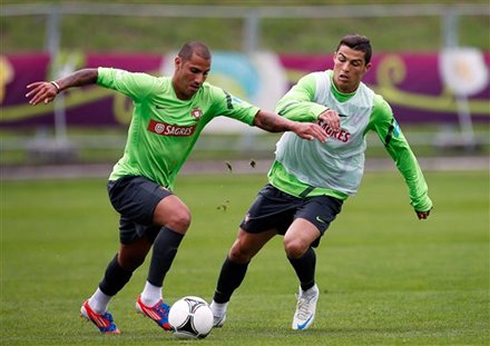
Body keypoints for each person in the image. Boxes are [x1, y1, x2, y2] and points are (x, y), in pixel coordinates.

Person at [25, 41, 332, 334]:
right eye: (194, 71)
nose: (199, 79)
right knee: (179, 216)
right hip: (127, 182)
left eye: (205, 73)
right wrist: (57, 85)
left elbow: (257, 117)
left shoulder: (210, 98)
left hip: (155, 189)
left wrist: (294, 125)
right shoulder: (149, 88)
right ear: (178, 64)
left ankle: (96, 305)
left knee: (130, 257)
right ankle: (151, 299)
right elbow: (97, 74)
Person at [209, 34, 433, 331]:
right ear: (334, 58)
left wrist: (419, 195)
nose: (345, 68)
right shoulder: (315, 84)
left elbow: (400, 150)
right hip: (285, 179)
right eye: (341, 59)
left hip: (328, 187)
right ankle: (216, 309)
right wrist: (318, 111)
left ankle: (308, 291)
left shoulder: (373, 107)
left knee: (294, 243)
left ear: (365, 68)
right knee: (240, 250)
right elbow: (285, 107)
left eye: (354, 63)